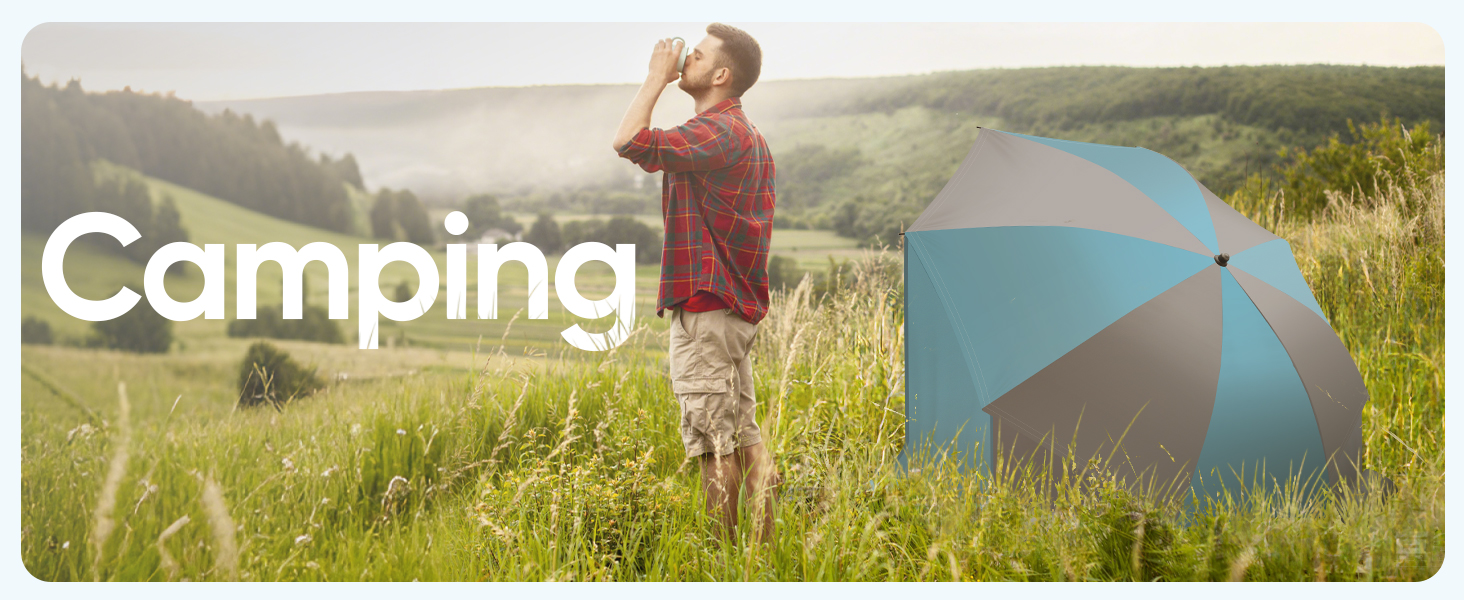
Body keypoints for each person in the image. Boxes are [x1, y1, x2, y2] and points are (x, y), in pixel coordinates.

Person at [612, 23, 779, 543]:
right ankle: (764, 556)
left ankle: (724, 565)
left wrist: (655, 79)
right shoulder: (747, 136)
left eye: (698, 56)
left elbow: (630, 141)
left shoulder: (718, 131)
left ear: (721, 75)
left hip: (706, 310)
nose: (687, 60)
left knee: (713, 448)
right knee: (747, 442)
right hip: (732, 311)